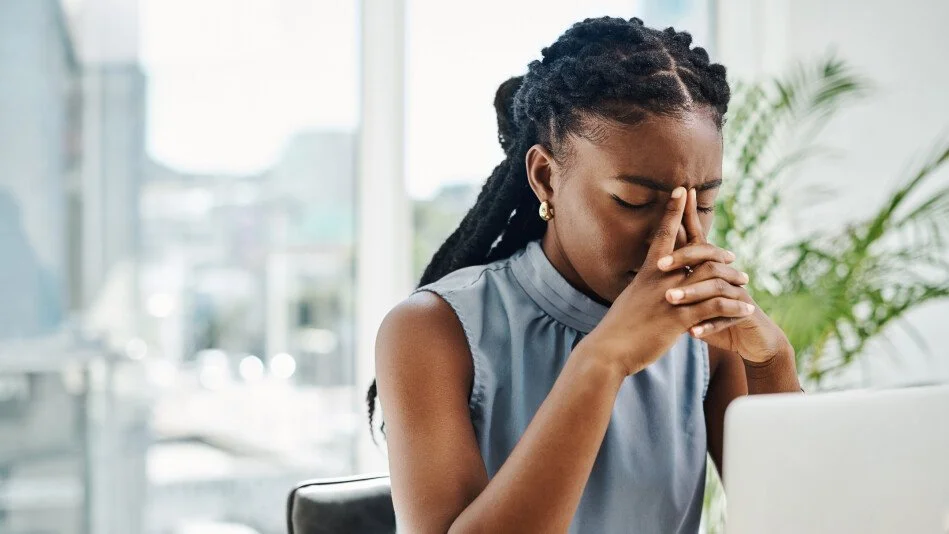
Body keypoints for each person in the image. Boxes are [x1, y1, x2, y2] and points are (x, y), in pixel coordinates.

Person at [368, 16, 801, 534]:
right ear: (546, 178)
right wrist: (602, 359)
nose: (682, 235)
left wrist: (773, 360)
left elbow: (801, 520)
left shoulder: (707, 339)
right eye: (634, 201)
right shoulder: (433, 330)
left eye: (703, 202)